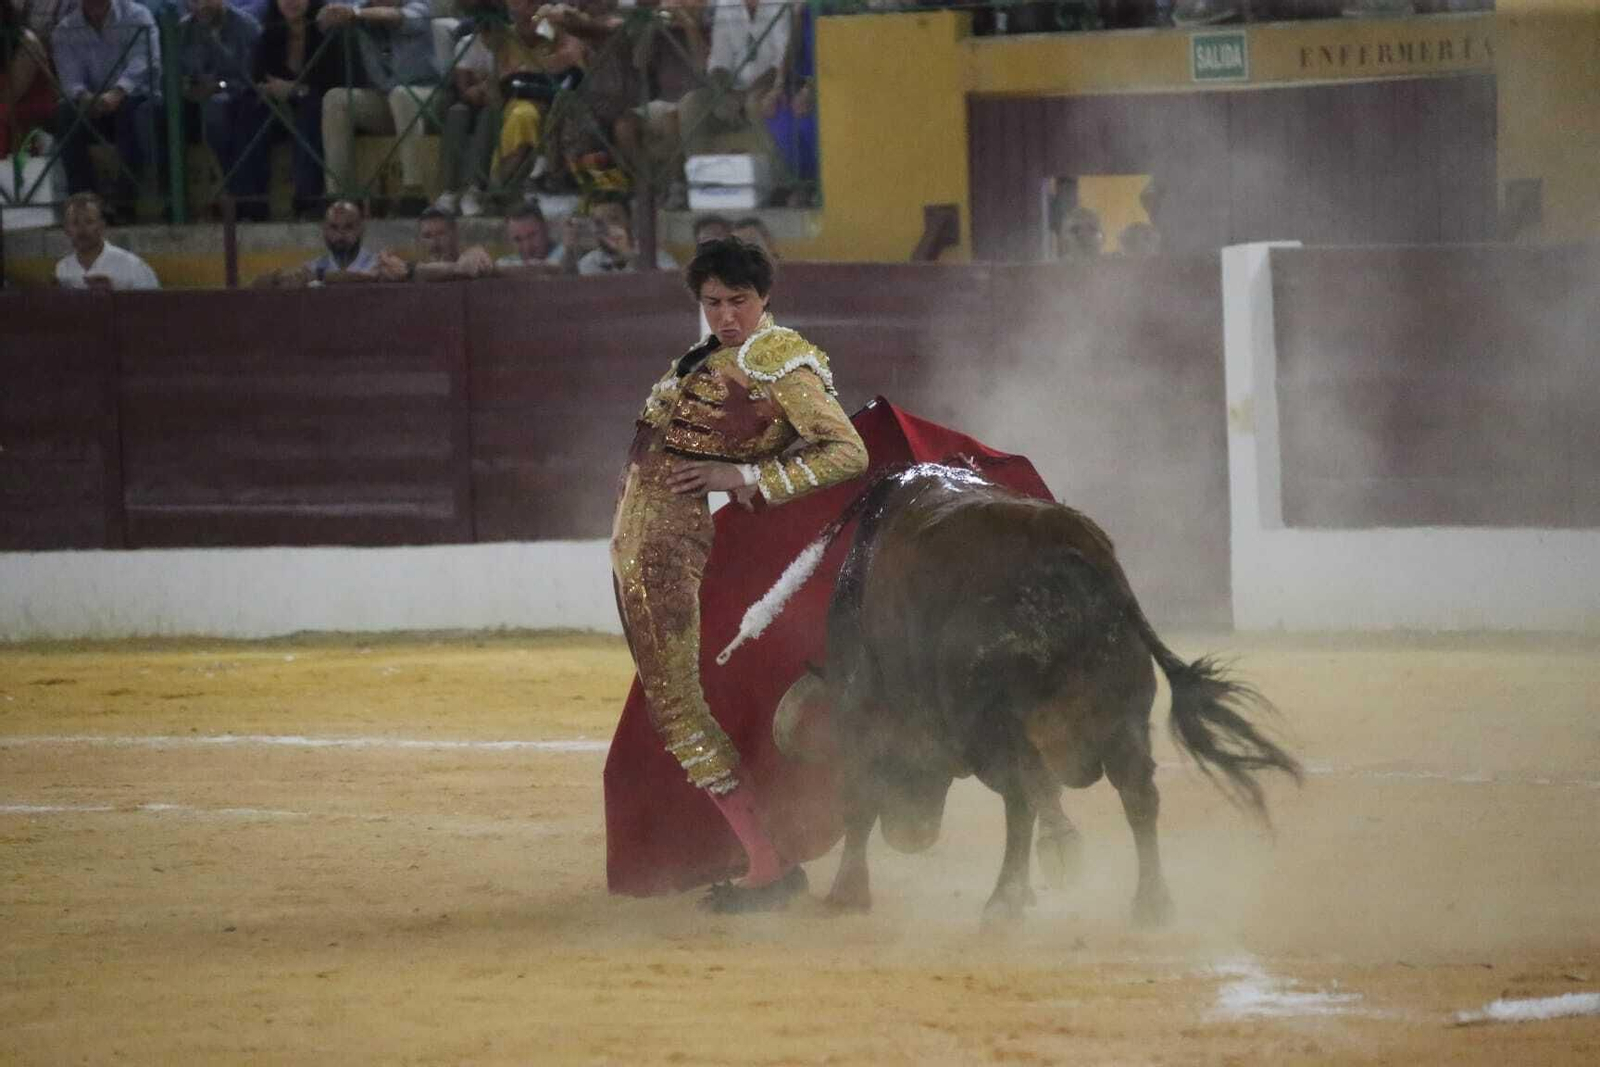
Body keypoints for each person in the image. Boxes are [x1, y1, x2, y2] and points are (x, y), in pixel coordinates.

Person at [610, 236, 868, 912]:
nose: (726, 314)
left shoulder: (777, 358)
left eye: (739, 301)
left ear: (766, 298)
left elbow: (847, 449)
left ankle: (767, 864)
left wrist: (748, 475)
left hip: (667, 545)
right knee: (677, 704)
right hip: (645, 542)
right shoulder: (717, 355)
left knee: (678, 706)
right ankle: (766, 856)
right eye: (714, 302)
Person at [50, 0, 163, 216]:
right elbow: (70, 77)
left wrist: (118, 92)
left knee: (131, 114)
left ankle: (124, 203)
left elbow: (146, 62)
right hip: (92, 103)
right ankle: (84, 205)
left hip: (135, 98)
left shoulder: (138, 17)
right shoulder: (65, 30)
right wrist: (86, 97)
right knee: (65, 114)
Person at [251, 0, 337, 219]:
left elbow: (332, 82)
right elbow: (257, 76)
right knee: (250, 111)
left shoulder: (327, 31)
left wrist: (296, 91)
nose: (291, 2)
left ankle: (307, 202)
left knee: (310, 109)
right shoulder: (269, 34)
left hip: (317, 107)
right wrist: (268, 89)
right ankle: (250, 204)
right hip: (279, 108)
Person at [178, 0, 264, 218]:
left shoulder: (247, 27)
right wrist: (187, 88)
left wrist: (218, 86)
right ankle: (171, 204)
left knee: (220, 109)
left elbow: (251, 78)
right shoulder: (182, 30)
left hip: (240, 98)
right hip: (192, 100)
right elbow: (174, 73)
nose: (202, 5)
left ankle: (239, 198)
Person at [54, 191, 160, 289]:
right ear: (66, 229)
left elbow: (153, 306)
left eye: (89, 221)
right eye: (75, 223)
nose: (82, 229)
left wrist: (114, 294)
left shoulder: (132, 266)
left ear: (101, 226)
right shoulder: (62, 269)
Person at [577, 195, 677, 274]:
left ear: (629, 221)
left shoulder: (652, 256)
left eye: (613, 219)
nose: (607, 227)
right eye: (599, 222)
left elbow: (672, 283)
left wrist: (628, 254)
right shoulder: (589, 262)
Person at [495, 202, 567, 272]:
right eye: (518, 239)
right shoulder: (507, 262)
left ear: (546, 229)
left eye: (532, 236)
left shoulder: (567, 255)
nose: (527, 247)